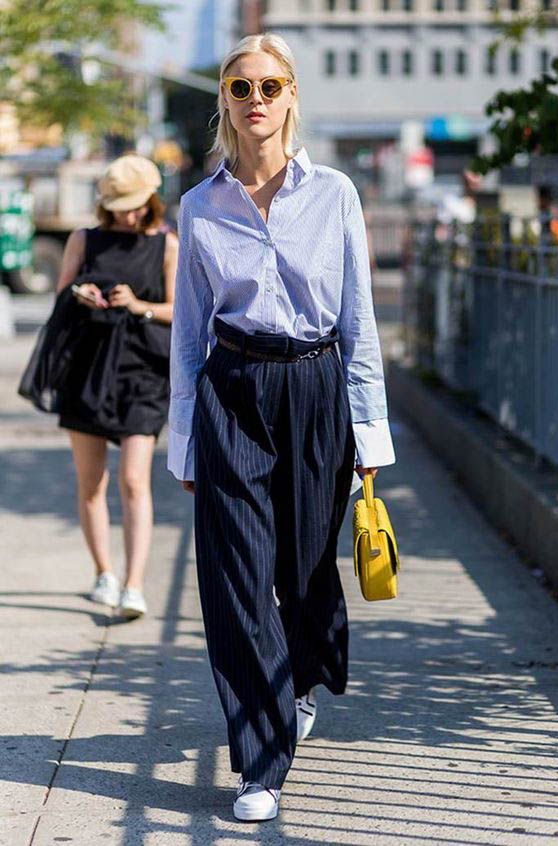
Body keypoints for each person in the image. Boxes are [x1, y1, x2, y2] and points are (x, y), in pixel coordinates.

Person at [167, 33, 395, 821]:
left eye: (270, 86)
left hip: (315, 386)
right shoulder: (198, 208)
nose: (256, 100)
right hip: (231, 388)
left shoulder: (334, 194)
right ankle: (259, 761)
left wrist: (370, 438)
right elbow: (188, 334)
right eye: (240, 87)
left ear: (292, 96)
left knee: (303, 571)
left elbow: (359, 321)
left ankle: (299, 678)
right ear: (225, 101)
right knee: (235, 578)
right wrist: (185, 436)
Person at [53, 155, 178, 618]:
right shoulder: (84, 239)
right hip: (86, 369)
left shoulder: (166, 245)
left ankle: (134, 584)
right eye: (120, 205)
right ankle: (104, 572)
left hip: (142, 372)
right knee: (91, 483)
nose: (128, 214)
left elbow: (178, 309)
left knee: (133, 480)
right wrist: (79, 294)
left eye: (136, 205)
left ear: (151, 201)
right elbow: (61, 293)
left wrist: (139, 305)